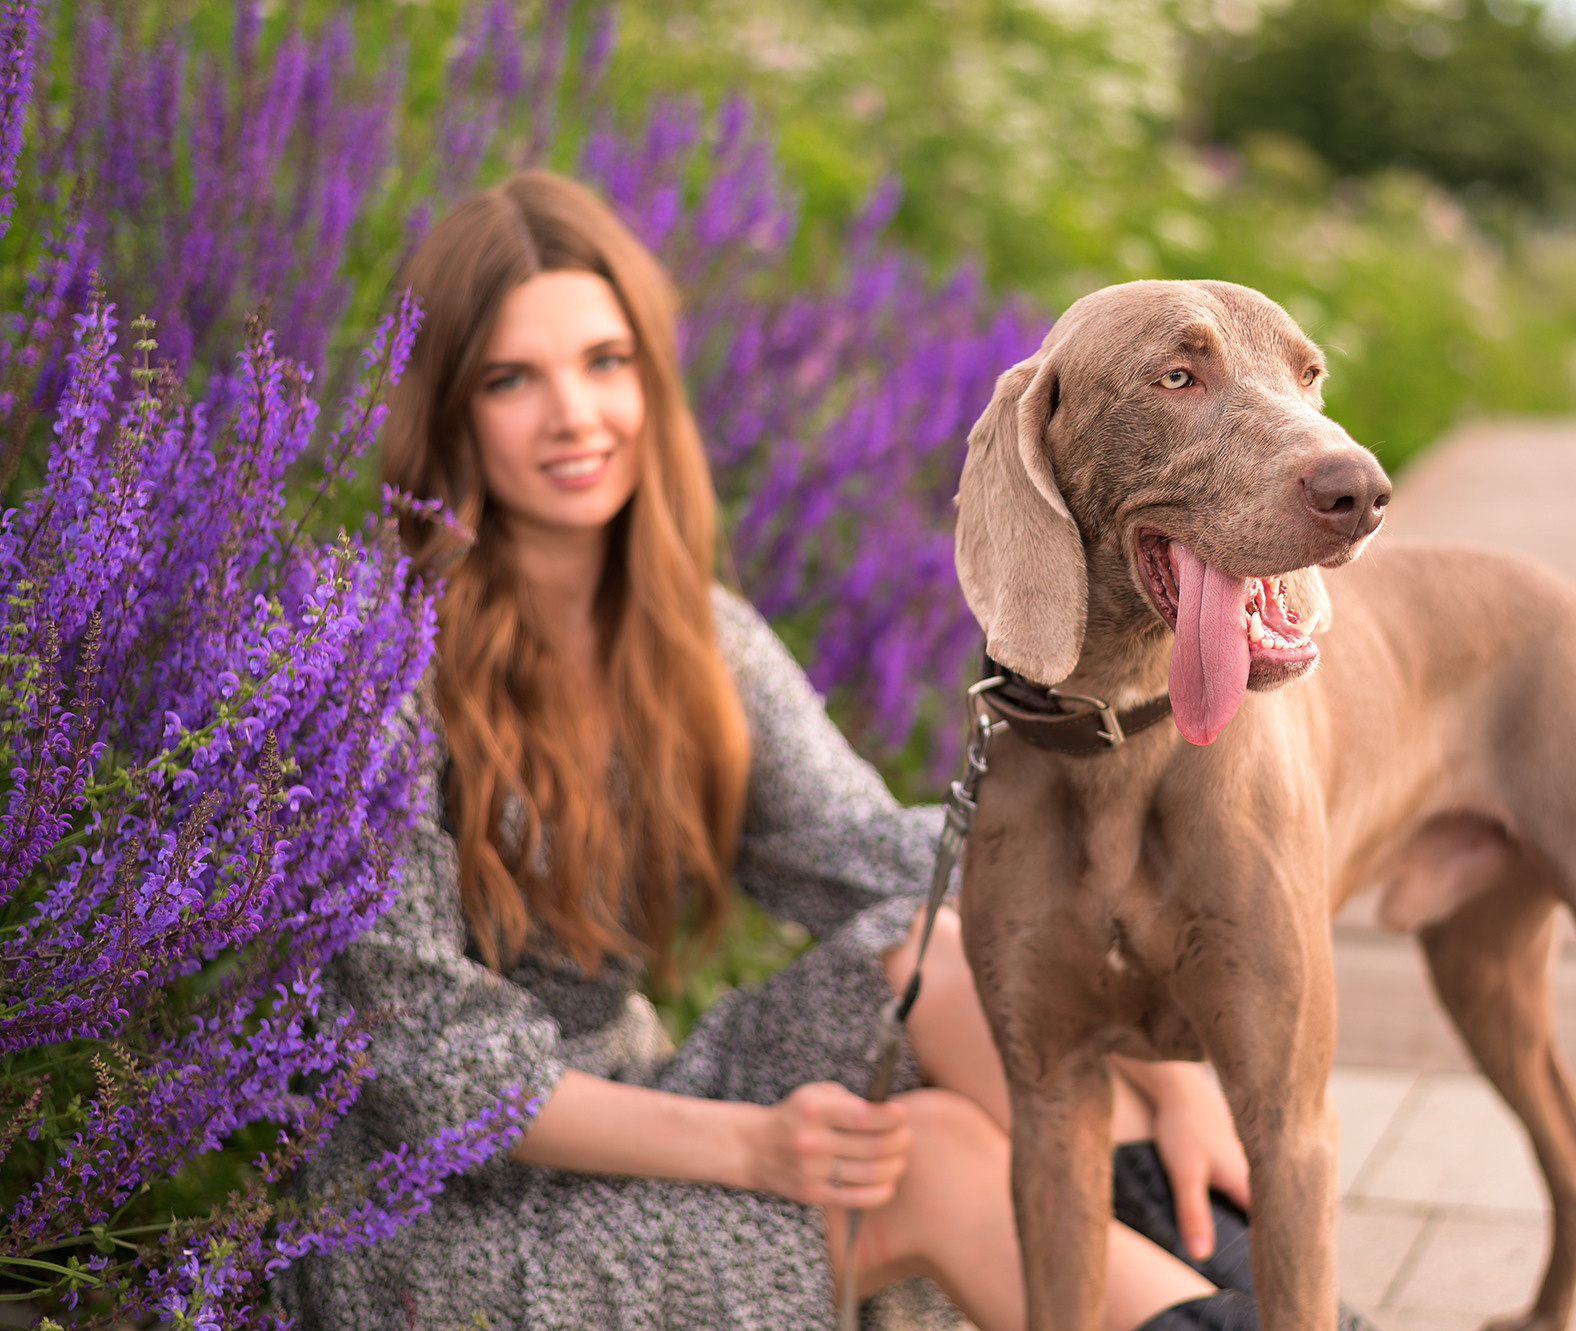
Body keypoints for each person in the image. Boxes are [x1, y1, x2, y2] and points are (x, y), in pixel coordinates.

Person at [278, 170, 1356, 1331]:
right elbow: (429, 1066)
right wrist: (752, 1143)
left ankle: (1251, 1284)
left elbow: (879, 854)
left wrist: (1164, 1076)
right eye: (510, 378)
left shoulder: (692, 636)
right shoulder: (370, 659)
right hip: (425, 1217)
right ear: (445, 407)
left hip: (639, 1102)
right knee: (937, 1161)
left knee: (931, 949)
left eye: (604, 361)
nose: (573, 414)